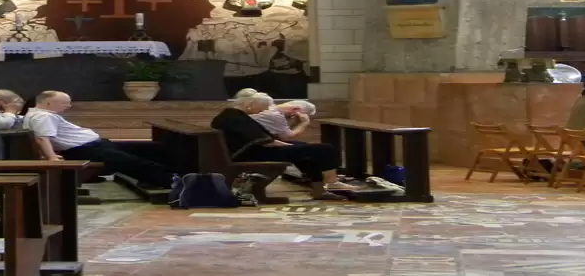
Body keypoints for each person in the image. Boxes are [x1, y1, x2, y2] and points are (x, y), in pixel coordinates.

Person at [211, 93, 358, 200]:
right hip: (254, 154)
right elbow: (266, 141)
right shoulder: (236, 118)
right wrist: (288, 145)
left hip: (249, 151)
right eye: (261, 109)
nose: (261, 112)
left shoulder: (230, 115)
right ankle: (331, 182)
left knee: (304, 149)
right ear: (250, 105)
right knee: (325, 148)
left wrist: (291, 145)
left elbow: (261, 138)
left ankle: (319, 190)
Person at [24, 91, 175, 189]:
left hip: (95, 146)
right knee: (133, 162)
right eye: (65, 103)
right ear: (48, 103)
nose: (68, 106)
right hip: (86, 150)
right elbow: (42, 138)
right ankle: (171, 182)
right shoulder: (43, 116)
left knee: (153, 149)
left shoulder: (40, 115)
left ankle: (159, 178)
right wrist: (51, 158)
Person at [251, 99, 316, 141]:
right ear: (296, 110)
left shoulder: (271, 107)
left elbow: (282, 133)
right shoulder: (276, 115)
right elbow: (286, 137)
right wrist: (304, 123)